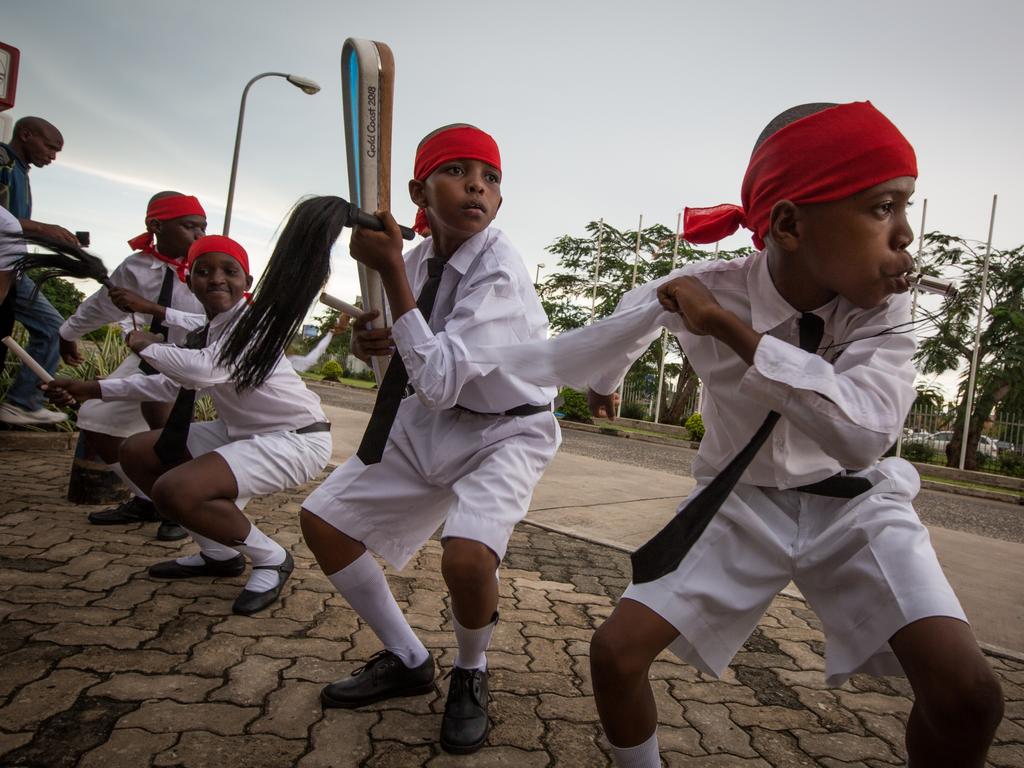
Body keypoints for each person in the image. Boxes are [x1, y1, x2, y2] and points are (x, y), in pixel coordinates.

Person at [489, 101, 1002, 767]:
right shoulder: (705, 287)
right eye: (883, 208)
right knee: (614, 655)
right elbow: (622, 318)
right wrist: (605, 379)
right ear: (789, 223)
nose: (906, 235)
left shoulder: (887, 308)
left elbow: (864, 433)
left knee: (969, 695)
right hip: (739, 505)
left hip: (857, 507)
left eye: (906, 206)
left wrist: (730, 331)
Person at [296, 124, 560, 754]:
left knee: (467, 559)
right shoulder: (416, 263)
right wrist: (369, 340)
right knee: (324, 521)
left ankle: (471, 669)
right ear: (420, 190)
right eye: (457, 171)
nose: (477, 185)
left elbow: (438, 377)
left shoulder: (500, 269)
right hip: (431, 421)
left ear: (499, 200)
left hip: (508, 430)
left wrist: (389, 270)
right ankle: (410, 658)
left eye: (490, 177)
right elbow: (404, 355)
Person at [43, 235, 332, 615]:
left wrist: (144, 345)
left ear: (247, 280)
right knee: (139, 452)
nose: (216, 279)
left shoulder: (253, 322)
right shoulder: (212, 328)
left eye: (229, 271)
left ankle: (271, 557)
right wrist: (90, 388)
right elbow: (172, 383)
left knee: (176, 490)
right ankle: (219, 554)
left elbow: (201, 372)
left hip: (295, 440)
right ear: (189, 279)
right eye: (204, 270)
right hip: (243, 432)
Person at [57, 191, 207, 540]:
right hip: (149, 356)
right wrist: (68, 332)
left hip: (197, 362)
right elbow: (101, 306)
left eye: (203, 226)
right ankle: (149, 498)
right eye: (189, 226)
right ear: (155, 225)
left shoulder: (209, 265)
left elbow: (217, 323)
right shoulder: (137, 267)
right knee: (95, 418)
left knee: (164, 428)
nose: (199, 235)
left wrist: (152, 310)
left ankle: (184, 508)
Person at [0, 116, 77, 426]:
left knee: (52, 328)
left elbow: (12, 225)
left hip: (13, 267)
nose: (52, 156)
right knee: (53, 328)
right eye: (50, 147)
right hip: (7, 267)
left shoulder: (20, 171)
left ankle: (22, 402)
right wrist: (42, 227)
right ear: (25, 134)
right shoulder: (3, 161)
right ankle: (22, 403)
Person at [287, 315, 352, 373]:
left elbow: (315, 354)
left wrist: (330, 334)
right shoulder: (289, 361)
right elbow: (314, 355)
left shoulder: (291, 360)